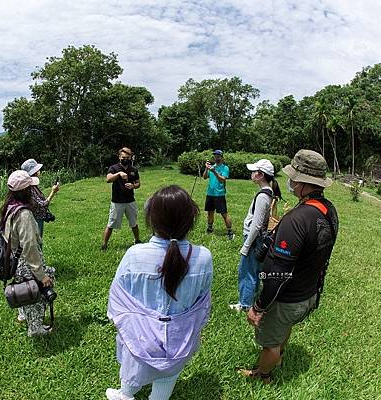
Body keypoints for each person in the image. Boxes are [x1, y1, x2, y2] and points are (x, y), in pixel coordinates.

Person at [106, 185, 213, 400]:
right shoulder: (203, 257)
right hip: (180, 338)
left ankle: (125, 395)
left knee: (132, 366)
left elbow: (118, 297)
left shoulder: (134, 254)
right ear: (190, 219)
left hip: (139, 336)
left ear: (151, 219)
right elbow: (203, 301)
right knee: (168, 374)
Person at [242, 150, 338, 383]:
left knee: (270, 344)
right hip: (309, 293)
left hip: (287, 299)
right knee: (284, 328)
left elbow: (278, 274)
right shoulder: (329, 210)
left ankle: (263, 374)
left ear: (304, 183)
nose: (290, 182)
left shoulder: (297, 219)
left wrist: (259, 306)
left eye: (294, 178)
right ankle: (280, 354)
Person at [0, 170, 56, 336]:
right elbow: (30, 247)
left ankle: (23, 314)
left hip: (14, 259)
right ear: (27, 191)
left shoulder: (10, 207)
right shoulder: (24, 214)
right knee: (36, 292)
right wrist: (40, 275)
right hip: (25, 261)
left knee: (22, 286)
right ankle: (36, 328)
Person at [230, 159, 282, 312]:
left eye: (254, 171)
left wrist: (246, 247)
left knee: (247, 272)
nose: (251, 174)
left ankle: (245, 304)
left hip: (254, 240)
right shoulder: (267, 193)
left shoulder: (262, 196)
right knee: (256, 271)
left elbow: (256, 224)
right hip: (259, 239)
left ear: (260, 175)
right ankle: (254, 297)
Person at [101, 147, 141, 251]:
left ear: (130, 157)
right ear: (119, 157)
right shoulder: (114, 168)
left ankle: (137, 240)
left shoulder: (133, 169)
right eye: (123, 157)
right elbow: (108, 179)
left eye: (128, 157)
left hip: (130, 200)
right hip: (117, 201)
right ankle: (104, 245)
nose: (125, 159)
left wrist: (133, 186)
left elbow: (138, 183)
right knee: (111, 224)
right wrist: (118, 174)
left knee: (134, 223)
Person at [20, 158, 60, 238]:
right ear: (34, 172)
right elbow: (42, 205)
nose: (39, 171)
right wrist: (53, 192)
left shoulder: (31, 185)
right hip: (35, 220)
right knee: (36, 243)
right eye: (37, 170)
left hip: (34, 219)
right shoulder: (30, 188)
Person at [203, 149, 234, 240]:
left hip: (219, 194)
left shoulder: (225, 168)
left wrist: (214, 171)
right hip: (210, 193)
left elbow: (222, 179)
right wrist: (206, 168)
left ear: (221, 157)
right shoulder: (212, 167)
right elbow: (205, 177)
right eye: (215, 155)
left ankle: (229, 231)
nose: (216, 157)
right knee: (210, 212)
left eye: (218, 156)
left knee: (224, 214)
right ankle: (210, 228)